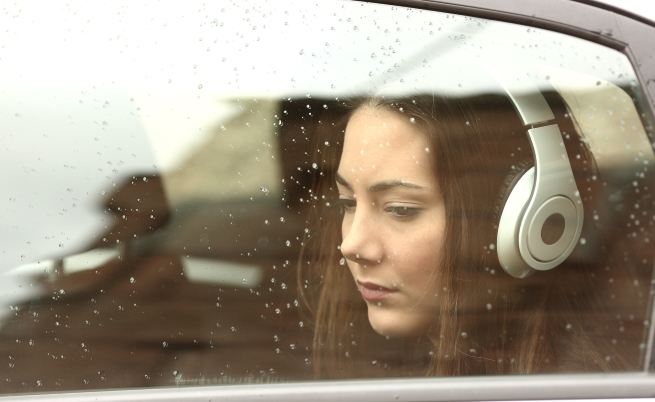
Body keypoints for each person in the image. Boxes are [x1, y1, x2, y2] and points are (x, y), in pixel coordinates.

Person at [296, 92, 652, 379]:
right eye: (347, 202)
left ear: (519, 222)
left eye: (401, 209)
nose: (351, 245)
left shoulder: (571, 388)